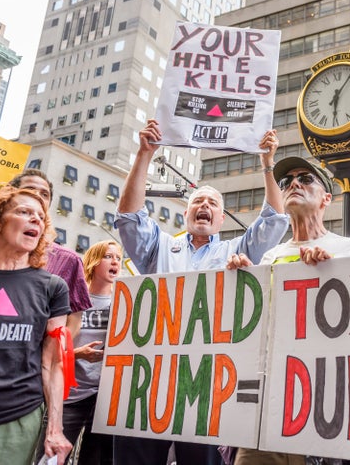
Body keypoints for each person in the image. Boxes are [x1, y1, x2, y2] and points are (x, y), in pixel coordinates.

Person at [113, 119, 289, 465]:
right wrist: (145, 154)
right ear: (187, 213)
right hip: (151, 381)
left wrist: (268, 165)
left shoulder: (237, 252)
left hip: (207, 385)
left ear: (221, 219)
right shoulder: (159, 249)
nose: (204, 206)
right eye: (198, 201)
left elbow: (274, 222)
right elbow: (129, 217)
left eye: (213, 203)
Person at [226, 156, 350, 465]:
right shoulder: (270, 256)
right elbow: (257, 325)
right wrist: (242, 283)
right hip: (271, 402)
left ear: (326, 199)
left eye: (306, 178)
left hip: (329, 404)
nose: (293, 183)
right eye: (286, 181)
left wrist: (332, 275)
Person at [0, 186, 72, 464]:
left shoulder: (53, 287)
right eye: (24, 212)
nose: (35, 219)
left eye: (40, 216)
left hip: (15, 421)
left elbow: (53, 364)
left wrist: (55, 429)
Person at [35, 240, 123, 464]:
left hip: (105, 398)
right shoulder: (71, 298)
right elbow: (51, 346)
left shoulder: (124, 301)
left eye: (118, 258)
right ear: (93, 261)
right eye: (108, 256)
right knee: (50, 458)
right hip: (70, 395)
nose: (115, 262)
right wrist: (78, 354)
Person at [9, 169, 92, 337]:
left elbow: (74, 320)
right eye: (30, 190)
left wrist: (48, 353)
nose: (38, 197)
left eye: (44, 194)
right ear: (10, 196)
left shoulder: (69, 260)